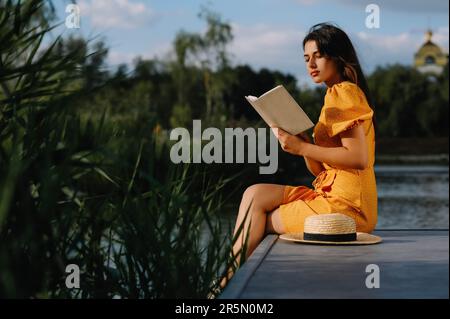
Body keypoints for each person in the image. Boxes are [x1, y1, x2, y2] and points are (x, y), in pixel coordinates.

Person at [221, 22, 378, 288]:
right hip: (332, 195)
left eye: (318, 55)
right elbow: (322, 171)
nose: (311, 64)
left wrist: (304, 147)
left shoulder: (344, 93)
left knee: (260, 221)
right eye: (306, 58)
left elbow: (358, 158)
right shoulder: (333, 95)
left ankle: (227, 285)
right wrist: (302, 143)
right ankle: (228, 281)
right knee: (255, 193)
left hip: (348, 208)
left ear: (338, 56)